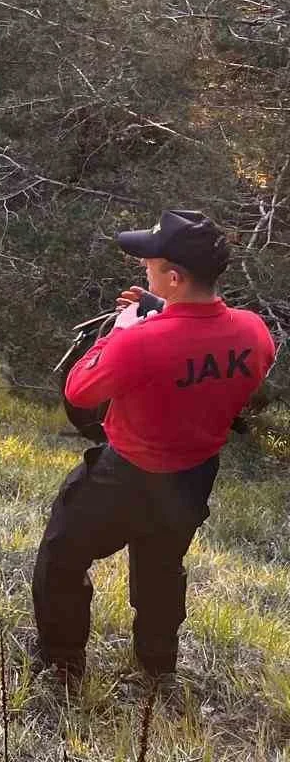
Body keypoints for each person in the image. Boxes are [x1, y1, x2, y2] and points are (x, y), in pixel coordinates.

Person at [32, 209, 275, 682]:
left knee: (61, 557)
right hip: (193, 477)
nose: (143, 267)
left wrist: (124, 329)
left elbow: (79, 391)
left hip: (123, 477)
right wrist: (165, 313)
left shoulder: (137, 343)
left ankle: (62, 665)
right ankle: (158, 665)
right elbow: (202, 351)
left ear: (175, 276)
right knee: (161, 568)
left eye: (150, 262)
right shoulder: (254, 332)